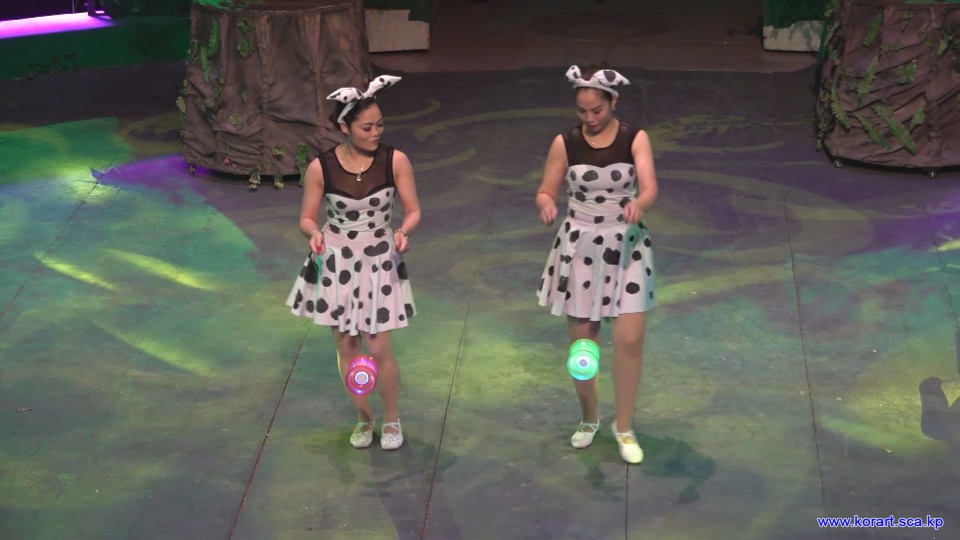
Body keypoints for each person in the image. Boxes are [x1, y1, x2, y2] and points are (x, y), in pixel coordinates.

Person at [286, 75, 421, 451]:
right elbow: (307, 218)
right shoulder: (321, 168)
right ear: (345, 127)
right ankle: (364, 418)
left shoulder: (395, 161)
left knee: (378, 349)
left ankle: (391, 418)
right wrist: (312, 233)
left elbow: (413, 211)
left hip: (378, 258)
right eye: (366, 127)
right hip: (337, 261)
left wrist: (403, 231)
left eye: (379, 125)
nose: (375, 132)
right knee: (348, 346)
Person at [534, 65, 658, 464]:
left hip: (625, 247)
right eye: (582, 111)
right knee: (582, 349)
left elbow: (650, 188)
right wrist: (546, 203)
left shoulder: (635, 138)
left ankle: (625, 427)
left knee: (630, 341)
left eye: (597, 110)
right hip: (580, 248)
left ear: (613, 102)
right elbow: (545, 189)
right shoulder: (565, 142)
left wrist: (639, 203)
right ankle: (589, 418)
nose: (589, 118)